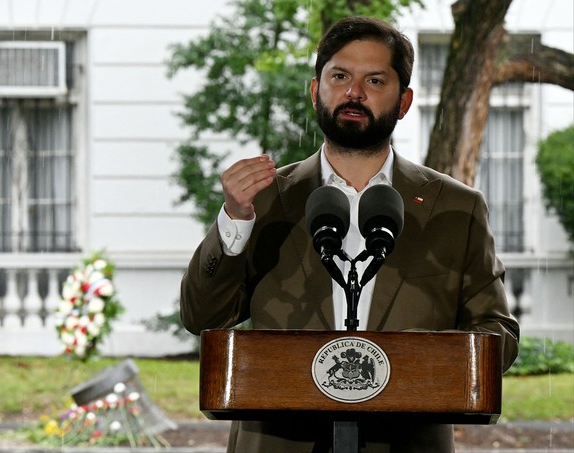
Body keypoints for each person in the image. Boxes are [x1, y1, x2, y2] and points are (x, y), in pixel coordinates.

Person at [180, 15, 519, 453]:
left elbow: (496, 333)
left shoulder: (456, 207)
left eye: (375, 80)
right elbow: (200, 317)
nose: (354, 92)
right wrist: (234, 219)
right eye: (339, 76)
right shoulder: (263, 200)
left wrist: (422, 368)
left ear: (404, 101)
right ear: (315, 89)